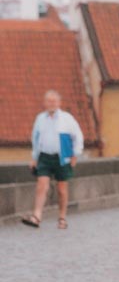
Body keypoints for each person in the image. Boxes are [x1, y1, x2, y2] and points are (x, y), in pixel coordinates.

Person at [21, 89, 84, 229]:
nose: (52, 104)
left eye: (54, 101)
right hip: (44, 156)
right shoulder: (40, 119)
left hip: (62, 157)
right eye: (49, 101)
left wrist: (75, 154)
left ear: (59, 103)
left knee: (62, 189)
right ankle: (37, 216)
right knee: (41, 185)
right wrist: (34, 158)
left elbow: (77, 136)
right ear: (45, 103)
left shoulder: (67, 119)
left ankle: (62, 218)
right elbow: (35, 139)